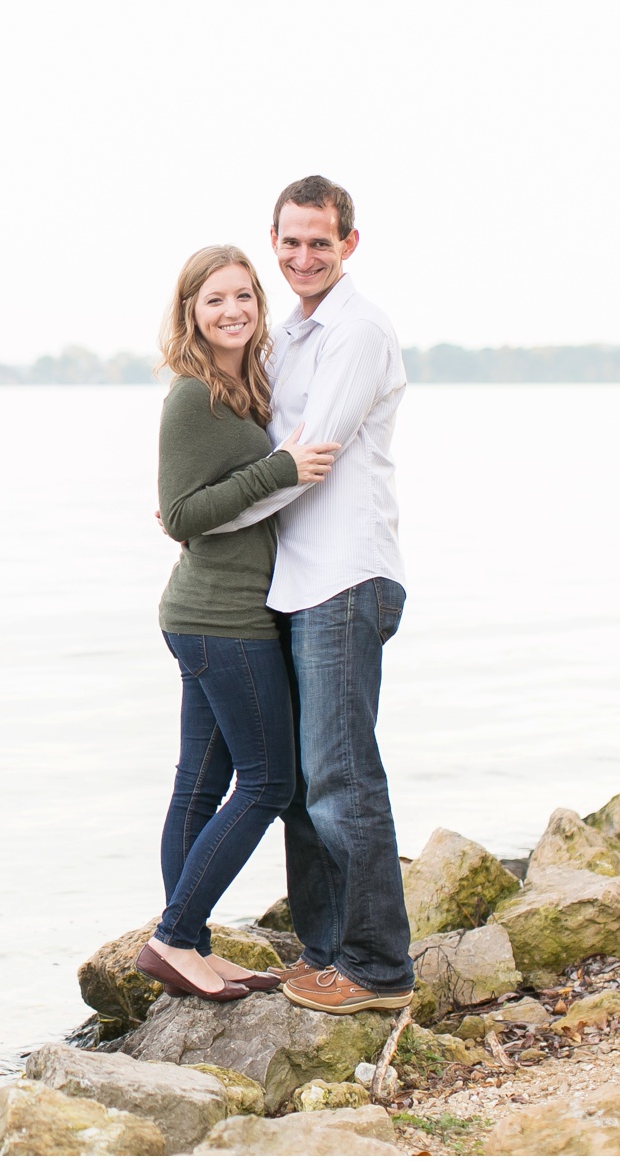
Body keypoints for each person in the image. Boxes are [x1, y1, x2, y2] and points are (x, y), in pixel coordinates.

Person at [204, 174, 414, 1014]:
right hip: (295, 581)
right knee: (298, 785)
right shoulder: (288, 334)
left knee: (342, 777)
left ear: (348, 244)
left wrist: (207, 518)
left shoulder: (358, 332)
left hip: (347, 577)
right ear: (274, 238)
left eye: (319, 242)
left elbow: (306, 457)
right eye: (288, 242)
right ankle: (326, 953)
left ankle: (377, 969)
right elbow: (270, 446)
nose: (301, 257)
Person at [134, 244, 340, 1001]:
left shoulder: (242, 387)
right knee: (268, 780)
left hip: (217, 614)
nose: (232, 311)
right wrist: (281, 466)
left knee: (202, 785)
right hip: (220, 619)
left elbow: (197, 505)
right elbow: (185, 513)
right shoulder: (193, 395)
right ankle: (173, 938)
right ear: (190, 310)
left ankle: (190, 946)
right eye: (214, 299)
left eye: (244, 297)